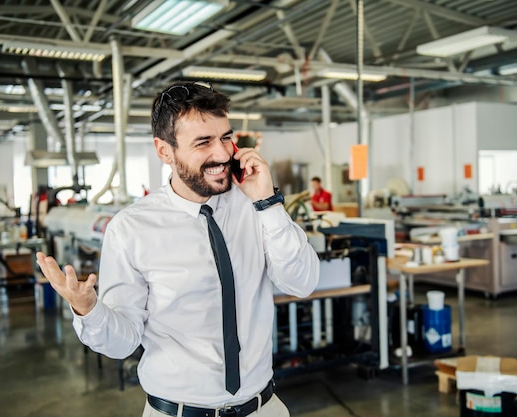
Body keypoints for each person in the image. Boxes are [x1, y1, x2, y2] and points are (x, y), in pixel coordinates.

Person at [35, 81, 319, 417]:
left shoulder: (253, 204)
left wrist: (268, 203)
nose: (223, 153)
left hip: (264, 408)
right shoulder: (132, 229)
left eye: (226, 137)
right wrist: (88, 310)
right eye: (203, 142)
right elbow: (122, 341)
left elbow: (302, 283)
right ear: (164, 151)